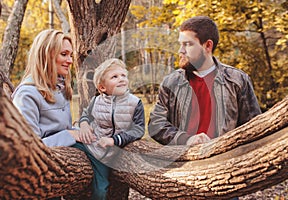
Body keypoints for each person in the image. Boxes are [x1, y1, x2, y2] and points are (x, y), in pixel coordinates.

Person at [11, 29, 107, 200]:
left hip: (60, 165)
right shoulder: (26, 95)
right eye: (64, 54)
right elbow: (27, 149)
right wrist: (70, 134)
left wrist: (81, 130)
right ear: (46, 55)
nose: (70, 60)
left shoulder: (60, 89)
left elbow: (62, 128)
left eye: (70, 55)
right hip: (37, 177)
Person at [148, 16, 261, 146]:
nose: (181, 51)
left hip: (226, 162)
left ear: (208, 45)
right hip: (183, 163)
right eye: (180, 44)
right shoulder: (171, 82)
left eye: (188, 44)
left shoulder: (237, 80)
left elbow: (254, 127)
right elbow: (156, 124)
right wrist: (186, 139)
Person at [77, 58, 145, 186]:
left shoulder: (135, 103)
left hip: (110, 154)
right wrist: (84, 124)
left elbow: (138, 129)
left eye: (123, 75)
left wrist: (115, 140)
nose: (121, 79)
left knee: (101, 189)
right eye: (114, 77)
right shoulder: (96, 101)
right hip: (90, 146)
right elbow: (86, 114)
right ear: (102, 87)